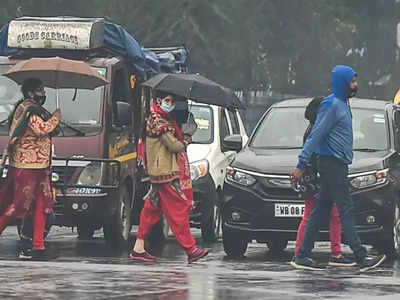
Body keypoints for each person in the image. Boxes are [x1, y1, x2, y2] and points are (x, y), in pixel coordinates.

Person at [291, 65, 386, 272]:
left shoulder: (343, 104)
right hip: (331, 164)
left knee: (322, 210)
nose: (355, 85)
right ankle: (361, 257)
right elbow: (316, 135)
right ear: (343, 82)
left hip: (338, 164)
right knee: (346, 209)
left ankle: (302, 254)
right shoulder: (332, 105)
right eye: (352, 81)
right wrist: (301, 164)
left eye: (355, 81)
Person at [130, 93, 208, 263]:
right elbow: (174, 145)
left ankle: (139, 247)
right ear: (158, 101)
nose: (170, 104)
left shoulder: (161, 118)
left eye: (172, 102)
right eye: (167, 101)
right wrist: (186, 140)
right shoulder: (159, 121)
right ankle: (191, 249)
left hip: (160, 171)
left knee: (151, 209)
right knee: (178, 209)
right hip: (164, 172)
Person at [0, 78, 61, 259]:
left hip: (40, 166)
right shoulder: (28, 109)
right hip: (26, 166)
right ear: (30, 93)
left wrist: (53, 119)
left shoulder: (35, 109)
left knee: (42, 207)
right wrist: (56, 116)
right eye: (40, 90)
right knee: (18, 207)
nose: (43, 94)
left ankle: (38, 246)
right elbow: (42, 129)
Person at [292, 96, 355, 267]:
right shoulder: (316, 131)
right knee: (312, 215)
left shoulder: (318, 128)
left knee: (334, 214)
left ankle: (335, 253)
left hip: (318, 178)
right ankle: (300, 252)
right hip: (315, 179)